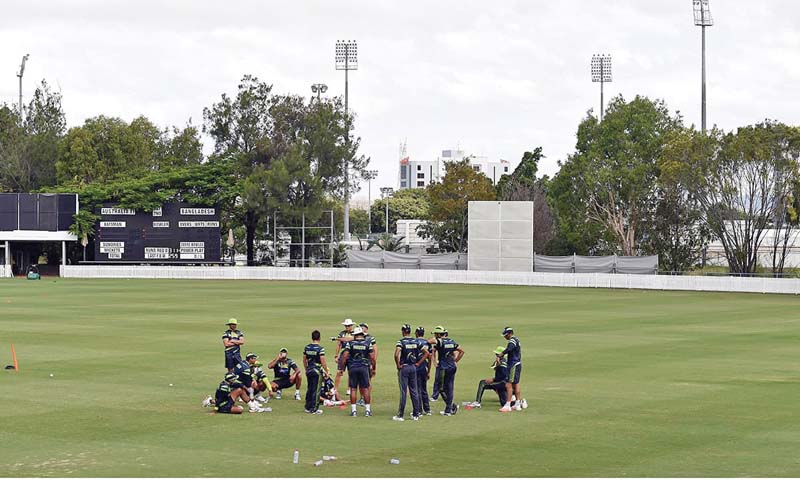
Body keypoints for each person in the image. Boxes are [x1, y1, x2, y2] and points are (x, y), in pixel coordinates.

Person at [393, 324, 428, 421]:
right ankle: (416, 414)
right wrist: (418, 363)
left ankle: (400, 415)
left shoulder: (401, 342)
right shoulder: (415, 341)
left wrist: (398, 365)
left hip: (404, 367)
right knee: (414, 391)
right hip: (413, 367)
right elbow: (426, 353)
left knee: (404, 391)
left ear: (403, 331)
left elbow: (396, 354)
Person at [428, 326, 464, 416]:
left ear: (439, 334)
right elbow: (462, 351)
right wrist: (455, 361)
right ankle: (448, 410)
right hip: (452, 367)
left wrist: (434, 362)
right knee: (450, 388)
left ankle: (450, 407)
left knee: (441, 388)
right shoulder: (452, 341)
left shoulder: (440, 341)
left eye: (436, 334)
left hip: (443, 368)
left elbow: (429, 342)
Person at [340, 327, 376, 417]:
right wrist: (374, 368)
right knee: (366, 388)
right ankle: (367, 411)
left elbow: (344, 356)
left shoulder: (350, 343)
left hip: (353, 367)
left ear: (355, 335)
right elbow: (372, 357)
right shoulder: (368, 343)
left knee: (353, 388)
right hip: (364, 367)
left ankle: (354, 411)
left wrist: (341, 368)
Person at [498, 327, 527, 412]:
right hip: (517, 364)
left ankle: (508, 405)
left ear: (510, 333)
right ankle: (517, 404)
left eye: (506, 335)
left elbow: (510, 348)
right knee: (516, 384)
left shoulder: (512, 341)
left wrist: (502, 354)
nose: (505, 337)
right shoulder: (516, 339)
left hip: (513, 364)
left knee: (508, 384)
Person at [303, 330, 329, 414]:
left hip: (309, 370)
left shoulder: (307, 347)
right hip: (317, 371)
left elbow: (304, 360)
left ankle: (307, 406)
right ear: (319, 338)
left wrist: (306, 368)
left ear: (312, 337)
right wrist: (326, 371)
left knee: (310, 388)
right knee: (316, 390)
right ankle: (314, 408)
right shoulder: (320, 349)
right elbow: (323, 361)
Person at [332, 318, 355, 396]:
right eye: (346, 326)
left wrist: (336, 338)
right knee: (339, 371)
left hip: (352, 354)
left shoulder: (356, 333)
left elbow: (348, 339)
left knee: (351, 372)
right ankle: (335, 389)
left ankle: (349, 388)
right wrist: (336, 355)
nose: (347, 327)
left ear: (351, 325)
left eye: (348, 326)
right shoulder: (342, 333)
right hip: (343, 353)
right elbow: (339, 345)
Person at [414, 326, 432, 415]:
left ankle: (419, 410)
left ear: (417, 333)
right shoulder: (428, 343)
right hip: (424, 367)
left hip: (416, 367)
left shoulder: (414, 342)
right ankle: (427, 410)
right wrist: (429, 371)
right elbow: (430, 358)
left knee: (417, 389)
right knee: (424, 389)